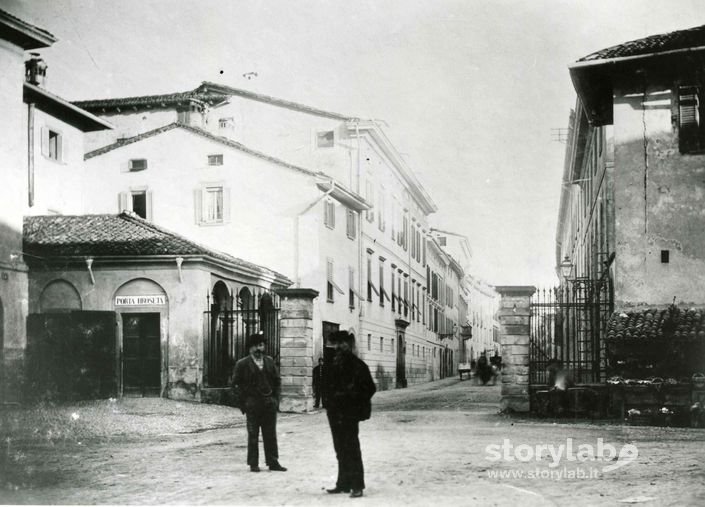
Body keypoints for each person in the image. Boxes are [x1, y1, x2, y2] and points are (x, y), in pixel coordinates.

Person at [324, 331, 376, 498]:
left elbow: (370, 388)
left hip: (349, 413)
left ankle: (357, 485)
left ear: (349, 345)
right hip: (334, 413)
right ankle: (343, 483)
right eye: (336, 343)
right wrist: (328, 402)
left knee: (351, 448)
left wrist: (351, 398)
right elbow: (324, 385)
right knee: (339, 448)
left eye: (342, 343)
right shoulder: (331, 364)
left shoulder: (358, 366)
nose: (338, 347)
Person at [233, 333, 287, 473]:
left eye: (261, 345)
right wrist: (243, 403)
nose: (258, 349)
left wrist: (275, 400)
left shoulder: (269, 361)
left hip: (269, 404)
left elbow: (277, 381)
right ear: (250, 348)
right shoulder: (242, 364)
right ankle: (253, 463)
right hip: (252, 405)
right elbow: (234, 385)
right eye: (255, 346)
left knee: (271, 434)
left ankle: (273, 462)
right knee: (253, 434)